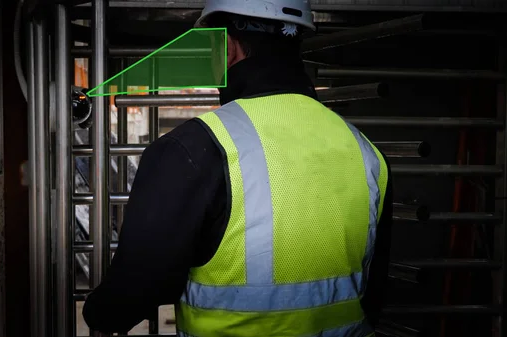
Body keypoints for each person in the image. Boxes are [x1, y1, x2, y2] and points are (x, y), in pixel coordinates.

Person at [83, 0, 393, 335]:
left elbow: (129, 298)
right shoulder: (365, 152)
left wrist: (98, 312)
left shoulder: (191, 150)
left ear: (227, 47)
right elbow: (373, 295)